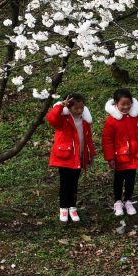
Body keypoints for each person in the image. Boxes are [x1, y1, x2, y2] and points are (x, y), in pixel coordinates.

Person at [102, 88, 138, 216]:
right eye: (123, 104)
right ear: (116, 104)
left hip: (134, 155)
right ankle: (117, 201)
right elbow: (107, 140)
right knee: (119, 179)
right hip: (120, 156)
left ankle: (128, 200)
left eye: (128, 104)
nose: (126, 107)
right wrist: (110, 158)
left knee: (131, 178)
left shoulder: (137, 114)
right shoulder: (111, 120)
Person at [46, 93, 95, 223]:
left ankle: (72, 207)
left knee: (74, 184)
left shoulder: (85, 121)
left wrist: (90, 154)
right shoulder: (63, 119)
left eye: (81, 108)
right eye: (76, 108)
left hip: (78, 157)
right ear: (69, 108)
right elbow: (51, 118)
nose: (79, 111)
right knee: (65, 184)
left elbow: (88, 139)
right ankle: (63, 208)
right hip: (65, 157)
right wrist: (61, 106)